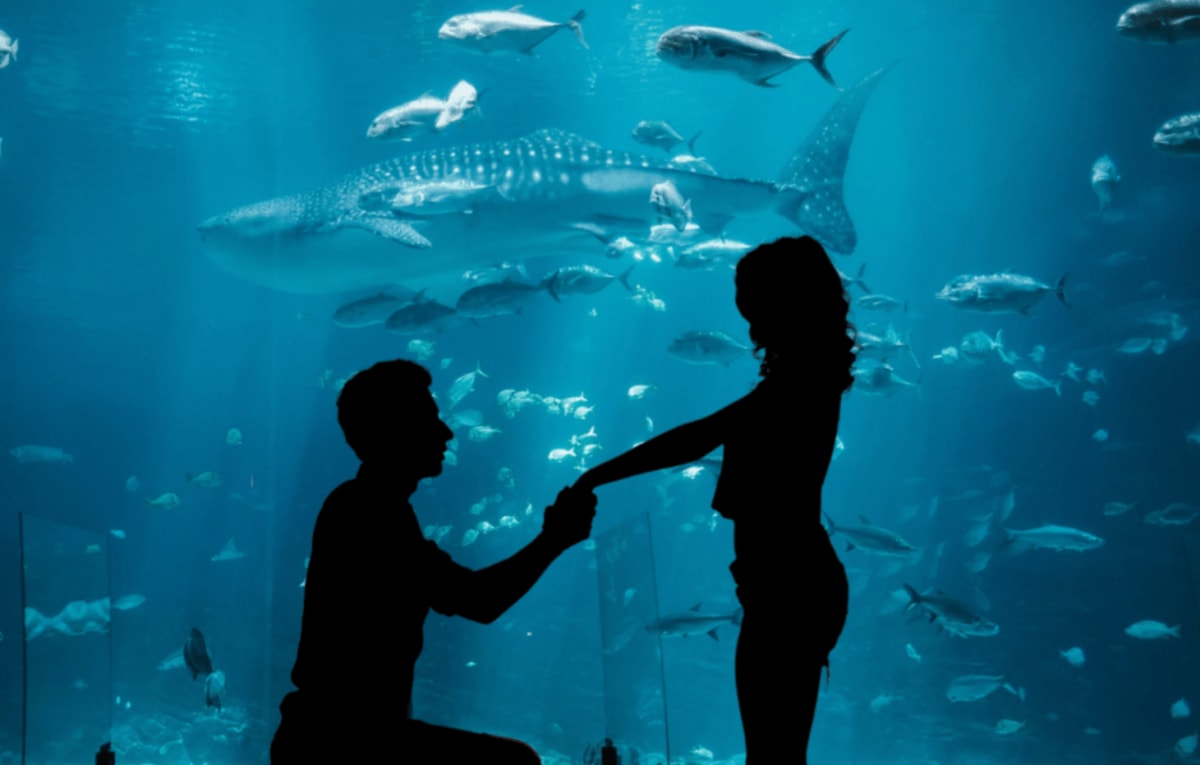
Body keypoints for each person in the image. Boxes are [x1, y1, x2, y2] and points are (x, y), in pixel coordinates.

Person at [572, 235, 852, 763]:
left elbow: (697, 436)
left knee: (772, 757)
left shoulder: (798, 386)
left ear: (784, 302)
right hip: (790, 583)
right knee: (776, 753)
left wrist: (596, 475)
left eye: (752, 300)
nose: (745, 317)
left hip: (789, 590)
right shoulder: (807, 379)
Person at [271, 359, 597, 763]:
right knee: (515, 762)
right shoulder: (368, 511)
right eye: (429, 419)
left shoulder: (373, 507)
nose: (446, 432)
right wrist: (555, 539)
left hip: (335, 734)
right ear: (393, 429)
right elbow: (479, 600)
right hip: (341, 741)